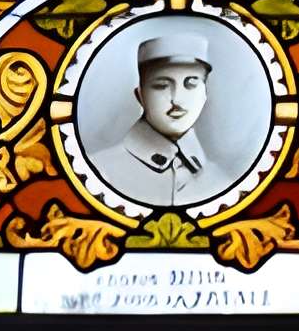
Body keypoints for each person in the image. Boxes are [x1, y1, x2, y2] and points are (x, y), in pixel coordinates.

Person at [87, 34, 217, 208]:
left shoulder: (221, 178)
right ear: (140, 95)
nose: (177, 100)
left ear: (204, 94)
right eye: (162, 85)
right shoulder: (98, 171)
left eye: (191, 83)